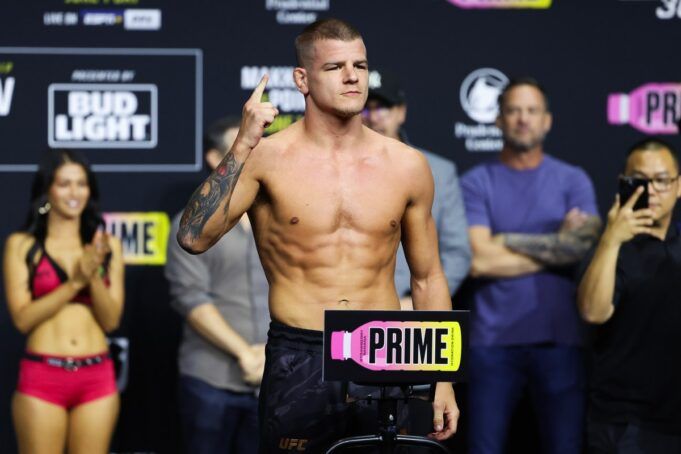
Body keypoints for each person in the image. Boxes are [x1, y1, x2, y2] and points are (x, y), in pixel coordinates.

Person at [177, 18, 459, 454]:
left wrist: (443, 379)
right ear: (302, 80)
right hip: (301, 352)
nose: (352, 77)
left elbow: (427, 278)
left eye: (360, 65)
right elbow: (193, 237)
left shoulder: (406, 165)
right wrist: (242, 146)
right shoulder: (266, 158)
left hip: (381, 348)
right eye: (334, 67)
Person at [461, 77, 601, 454]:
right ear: (498, 120)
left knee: (565, 447)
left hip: (560, 341)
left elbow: (581, 248)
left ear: (547, 120)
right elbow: (478, 260)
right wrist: (556, 244)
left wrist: (505, 240)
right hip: (491, 343)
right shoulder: (476, 182)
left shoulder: (573, 180)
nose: (523, 119)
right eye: (513, 110)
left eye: (532, 110)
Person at [3, 149, 125, 454]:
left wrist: (93, 274)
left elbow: (111, 320)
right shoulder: (22, 245)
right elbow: (22, 319)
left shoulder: (106, 246)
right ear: (47, 190)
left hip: (97, 376)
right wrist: (75, 283)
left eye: (81, 184)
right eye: (64, 184)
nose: (74, 193)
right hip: (43, 375)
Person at [165, 116, 269, 454]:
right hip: (210, 380)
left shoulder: (281, 221)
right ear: (215, 158)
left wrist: (271, 353)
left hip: (275, 377)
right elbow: (191, 298)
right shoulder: (192, 227)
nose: (254, 153)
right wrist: (245, 353)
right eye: (244, 145)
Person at [577, 138, 681, 453]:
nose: (652, 191)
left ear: (678, 186)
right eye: (639, 181)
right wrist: (611, 240)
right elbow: (593, 312)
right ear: (623, 183)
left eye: (662, 180)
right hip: (624, 422)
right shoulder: (611, 248)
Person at [363, 70, 471, 309]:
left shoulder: (439, 171)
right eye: (365, 108)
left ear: (401, 112)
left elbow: (457, 253)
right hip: (349, 309)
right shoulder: (336, 168)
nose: (373, 117)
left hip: (412, 306)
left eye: (383, 107)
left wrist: (414, 303)